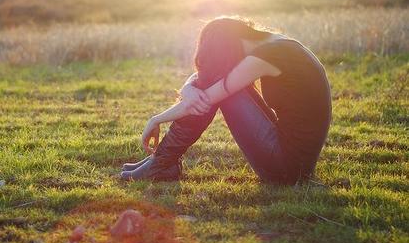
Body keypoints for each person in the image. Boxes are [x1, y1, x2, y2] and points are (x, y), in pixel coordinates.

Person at [121, 16, 332, 185]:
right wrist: (187, 88)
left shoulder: (265, 57)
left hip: (287, 169)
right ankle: (161, 161)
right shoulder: (275, 44)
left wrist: (156, 119)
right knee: (219, 87)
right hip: (298, 162)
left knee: (221, 93)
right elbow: (207, 78)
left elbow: (207, 97)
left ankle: (161, 163)